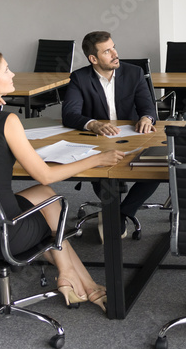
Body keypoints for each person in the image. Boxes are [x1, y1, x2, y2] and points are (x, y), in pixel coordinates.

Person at [0, 49, 126, 311]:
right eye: (6, 70)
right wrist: (97, 160)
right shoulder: (7, 121)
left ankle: (79, 279)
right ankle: (75, 278)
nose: (13, 73)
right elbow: (44, 173)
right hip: (4, 230)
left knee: (45, 194)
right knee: (52, 203)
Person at [61, 31, 158, 242]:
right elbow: (69, 114)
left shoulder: (134, 73)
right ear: (93, 59)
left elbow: (148, 107)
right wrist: (92, 123)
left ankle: (120, 213)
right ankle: (115, 210)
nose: (115, 54)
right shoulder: (80, 78)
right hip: (99, 141)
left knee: (157, 168)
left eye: (114, 47)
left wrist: (147, 118)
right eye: (107, 51)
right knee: (100, 171)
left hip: (134, 138)